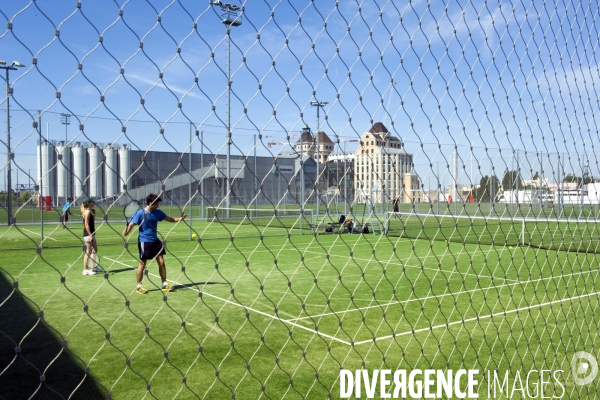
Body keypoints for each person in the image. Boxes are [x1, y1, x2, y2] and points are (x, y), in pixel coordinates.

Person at [122, 194, 187, 294]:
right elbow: (131, 224)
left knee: (161, 262)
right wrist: (126, 231)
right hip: (144, 241)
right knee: (142, 263)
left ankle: (164, 284)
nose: (158, 206)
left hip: (156, 241)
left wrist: (180, 218)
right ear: (150, 204)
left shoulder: (158, 212)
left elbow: (170, 219)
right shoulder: (140, 213)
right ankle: (139, 286)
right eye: (156, 204)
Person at [81, 197, 98, 275]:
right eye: (92, 202)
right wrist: (90, 235)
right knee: (88, 251)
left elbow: (91, 222)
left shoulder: (90, 211)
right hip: (88, 234)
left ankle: (94, 267)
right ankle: (85, 270)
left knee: (94, 250)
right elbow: (86, 225)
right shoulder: (87, 212)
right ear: (88, 203)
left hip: (91, 233)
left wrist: (93, 213)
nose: (93, 203)